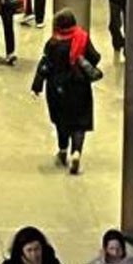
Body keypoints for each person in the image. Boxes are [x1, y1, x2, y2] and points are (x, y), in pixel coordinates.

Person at [30, 10, 100, 174]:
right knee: (80, 122)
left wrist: (37, 86)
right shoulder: (82, 38)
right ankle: (76, 152)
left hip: (57, 89)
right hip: (79, 87)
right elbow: (95, 57)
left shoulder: (53, 43)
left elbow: (45, 66)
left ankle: (62, 151)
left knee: (62, 121)